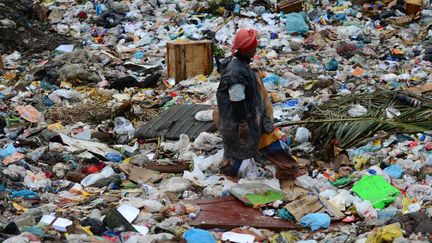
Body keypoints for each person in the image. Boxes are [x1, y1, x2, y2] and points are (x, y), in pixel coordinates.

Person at [216, 29, 274, 177]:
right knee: (238, 153)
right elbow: (236, 100)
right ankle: (233, 170)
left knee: (243, 151)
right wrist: (242, 124)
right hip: (237, 121)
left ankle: (243, 165)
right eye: (254, 47)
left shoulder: (239, 63)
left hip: (243, 118)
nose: (255, 49)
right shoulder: (236, 72)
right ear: (248, 50)